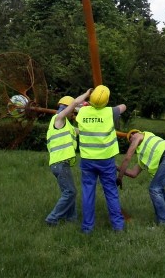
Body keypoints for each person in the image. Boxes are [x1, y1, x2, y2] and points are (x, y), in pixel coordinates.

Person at [60, 85, 126, 234]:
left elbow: (74, 105)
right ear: (106, 100)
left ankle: (87, 227)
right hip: (106, 161)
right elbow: (123, 106)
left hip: (88, 160)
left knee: (88, 193)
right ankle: (118, 226)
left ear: (91, 97)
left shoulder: (82, 112)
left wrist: (87, 96)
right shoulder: (110, 112)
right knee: (111, 192)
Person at [116, 129, 165, 226]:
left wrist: (120, 177)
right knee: (158, 188)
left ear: (135, 133)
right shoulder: (142, 156)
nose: (131, 139)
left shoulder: (140, 135)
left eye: (131, 137)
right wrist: (116, 167)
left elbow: (127, 157)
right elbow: (133, 173)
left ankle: (163, 222)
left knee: (154, 189)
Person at [45, 89, 90, 226]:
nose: (73, 114)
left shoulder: (66, 125)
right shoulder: (58, 119)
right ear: (67, 108)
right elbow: (75, 102)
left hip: (60, 163)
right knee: (70, 192)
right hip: (60, 163)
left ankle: (72, 218)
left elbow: (81, 131)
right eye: (73, 111)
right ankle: (52, 218)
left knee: (69, 191)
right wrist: (87, 94)